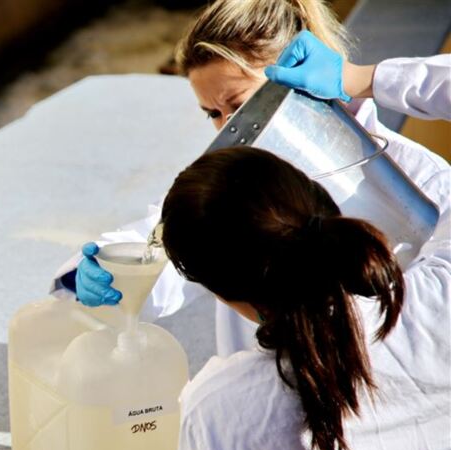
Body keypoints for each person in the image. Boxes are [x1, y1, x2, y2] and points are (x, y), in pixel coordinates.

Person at [159, 77, 450, 450]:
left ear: (224, 292)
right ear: (324, 200)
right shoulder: (438, 310)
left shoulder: (224, 405)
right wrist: (357, 109)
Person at [53, 0, 450, 357]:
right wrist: (106, 272)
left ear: (299, 77)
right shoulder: (235, 189)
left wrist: (369, 78)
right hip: (270, 410)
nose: (229, 128)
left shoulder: (417, 182)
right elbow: (165, 239)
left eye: (240, 106)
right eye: (212, 113)